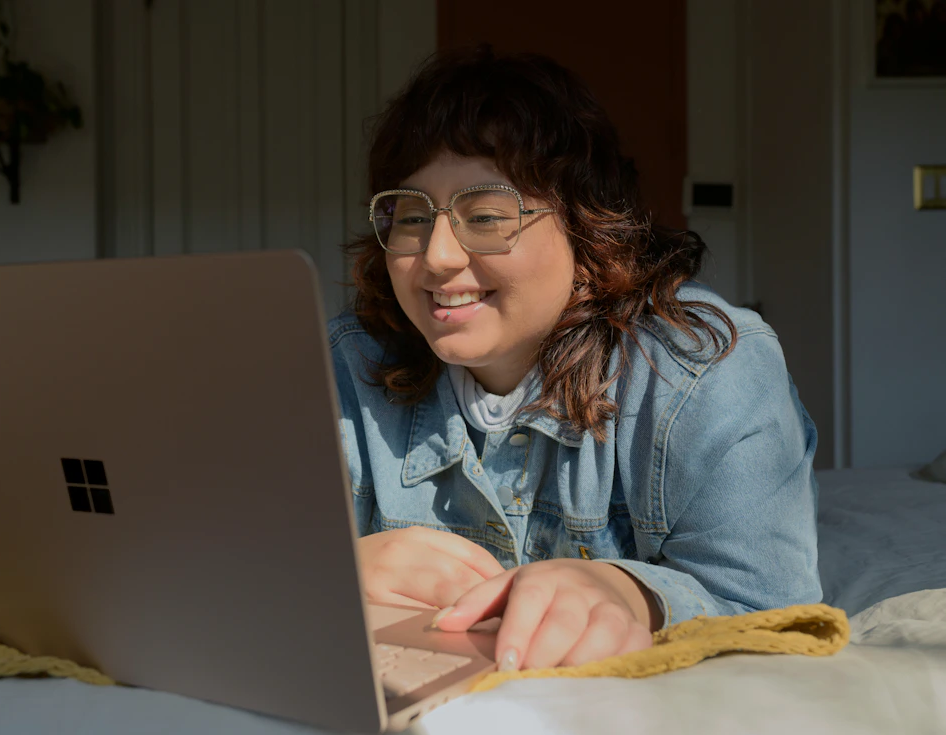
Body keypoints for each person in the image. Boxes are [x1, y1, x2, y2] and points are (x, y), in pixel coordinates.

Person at [329, 45, 821, 673]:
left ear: (587, 224)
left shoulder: (709, 371)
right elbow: (221, 563)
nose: (438, 256)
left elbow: (773, 613)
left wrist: (635, 594)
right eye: (411, 216)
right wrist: (328, 570)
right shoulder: (343, 369)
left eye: (485, 215)